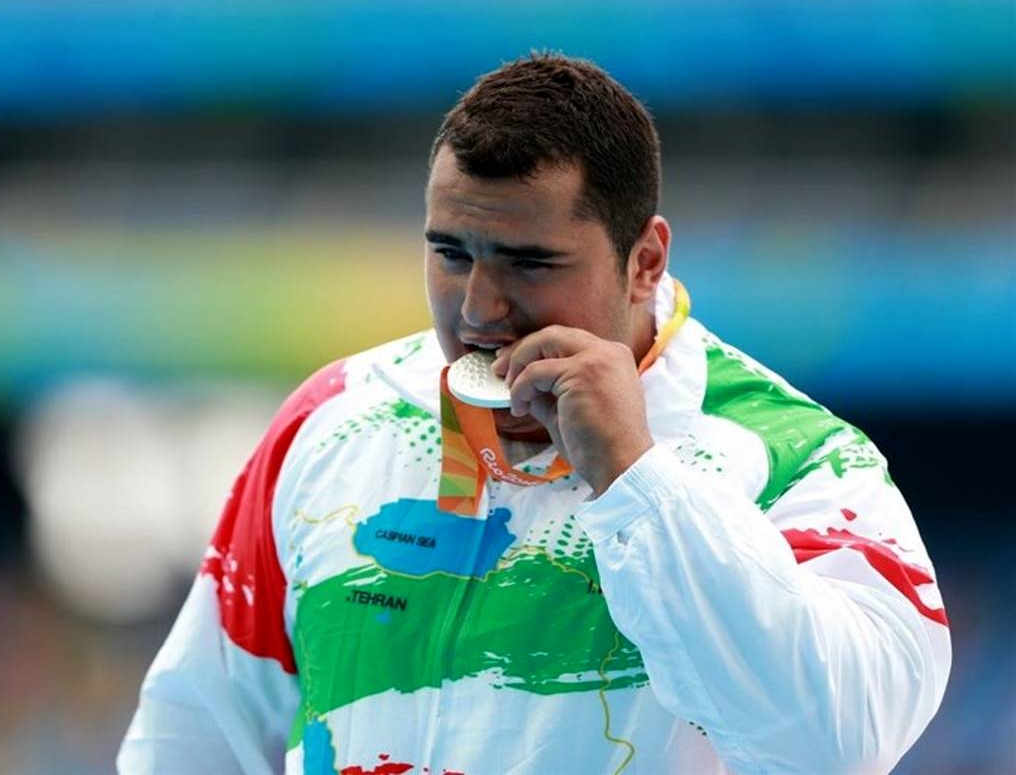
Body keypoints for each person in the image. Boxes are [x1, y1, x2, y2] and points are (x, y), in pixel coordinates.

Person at [118, 54, 950, 774]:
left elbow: (837, 746)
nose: (478, 310)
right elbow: (195, 735)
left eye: (529, 263)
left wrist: (637, 479)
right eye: (450, 254)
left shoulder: (797, 460)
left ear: (645, 260)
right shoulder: (335, 417)